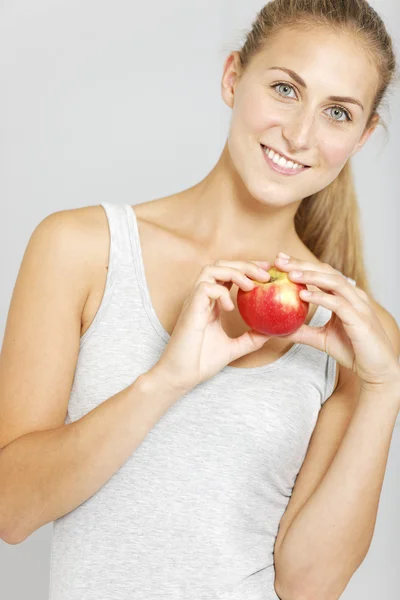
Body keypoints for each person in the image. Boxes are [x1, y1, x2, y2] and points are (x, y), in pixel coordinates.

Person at [0, 0, 399, 599]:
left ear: (362, 136)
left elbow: (308, 587)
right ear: (233, 77)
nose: (299, 134)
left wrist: (384, 387)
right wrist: (166, 380)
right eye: (286, 89)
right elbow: (12, 511)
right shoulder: (82, 249)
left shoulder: (355, 334)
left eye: (337, 112)